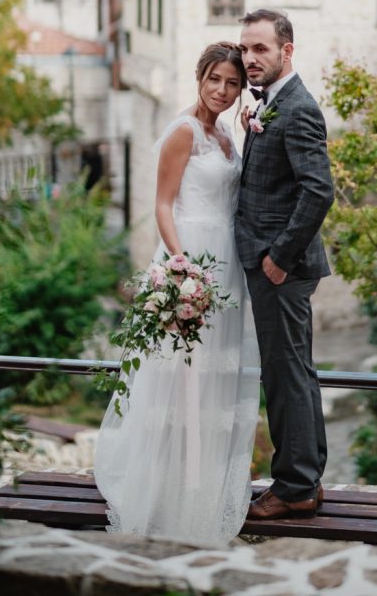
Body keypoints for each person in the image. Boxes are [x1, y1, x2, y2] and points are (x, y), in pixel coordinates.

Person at [94, 42, 260, 546]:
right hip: (192, 257)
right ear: (200, 77)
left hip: (227, 261)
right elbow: (163, 204)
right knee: (179, 378)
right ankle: (166, 494)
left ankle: (202, 488)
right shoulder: (182, 131)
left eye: (232, 83)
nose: (222, 91)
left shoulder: (228, 132)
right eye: (215, 80)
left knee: (215, 381)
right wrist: (180, 262)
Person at [236, 9, 334, 520]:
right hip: (274, 263)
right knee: (294, 372)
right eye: (245, 49)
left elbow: (320, 191)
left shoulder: (296, 108)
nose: (250, 59)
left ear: (287, 51)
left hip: (282, 269)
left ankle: (293, 487)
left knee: (284, 374)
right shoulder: (272, 102)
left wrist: (278, 258)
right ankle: (306, 479)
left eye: (261, 50)